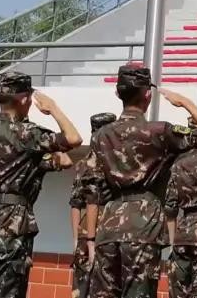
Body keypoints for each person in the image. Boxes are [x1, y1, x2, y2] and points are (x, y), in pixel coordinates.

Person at [80, 66, 197, 298]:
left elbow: (92, 190)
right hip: (144, 224)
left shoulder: (100, 136)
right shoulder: (160, 131)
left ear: (118, 93)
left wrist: (90, 239)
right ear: (148, 95)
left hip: (108, 225)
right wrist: (185, 103)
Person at [0, 71, 82, 298]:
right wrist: (53, 108)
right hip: (11, 224)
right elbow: (73, 138)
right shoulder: (26, 133)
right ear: (25, 99)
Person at [165, 116, 197, 298]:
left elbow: (170, 207)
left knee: (178, 292)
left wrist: (172, 243)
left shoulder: (178, 163)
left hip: (182, 233)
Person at [69, 112, 117, 298]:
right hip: (106, 230)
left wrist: (76, 239)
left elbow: (75, 203)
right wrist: (89, 240)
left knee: (82, 288)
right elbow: (91, 201)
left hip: (84, 232)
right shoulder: (112, 162)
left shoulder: (82, 164)